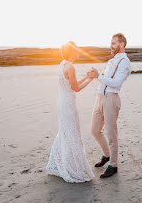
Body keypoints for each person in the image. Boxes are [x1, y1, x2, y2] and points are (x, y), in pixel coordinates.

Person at [46, 41, 94, 183]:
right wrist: (90, 79)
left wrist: (85, 77)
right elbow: (76, 88)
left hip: (62, 101)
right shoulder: (71, 66)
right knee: (72, 134)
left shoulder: (62, 64)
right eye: (76, 49)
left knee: (65, 132)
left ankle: (56, 164)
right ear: (72, 51)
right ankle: (76, 168)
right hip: (68, 104)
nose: (78, 51)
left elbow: (72, 83)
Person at [88, 33, 131, 178]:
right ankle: (106, 155)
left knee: (111, 134)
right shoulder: (112, 61)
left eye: (114, 43)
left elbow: (116, 83)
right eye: (110, 43)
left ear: (122, 45)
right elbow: (105, 80)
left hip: (111, 100)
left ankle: (113, 165)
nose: (111, 46)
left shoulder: (124, 62)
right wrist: (95, 76)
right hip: (99, 98)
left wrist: (98, 76)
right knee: (94, 130)